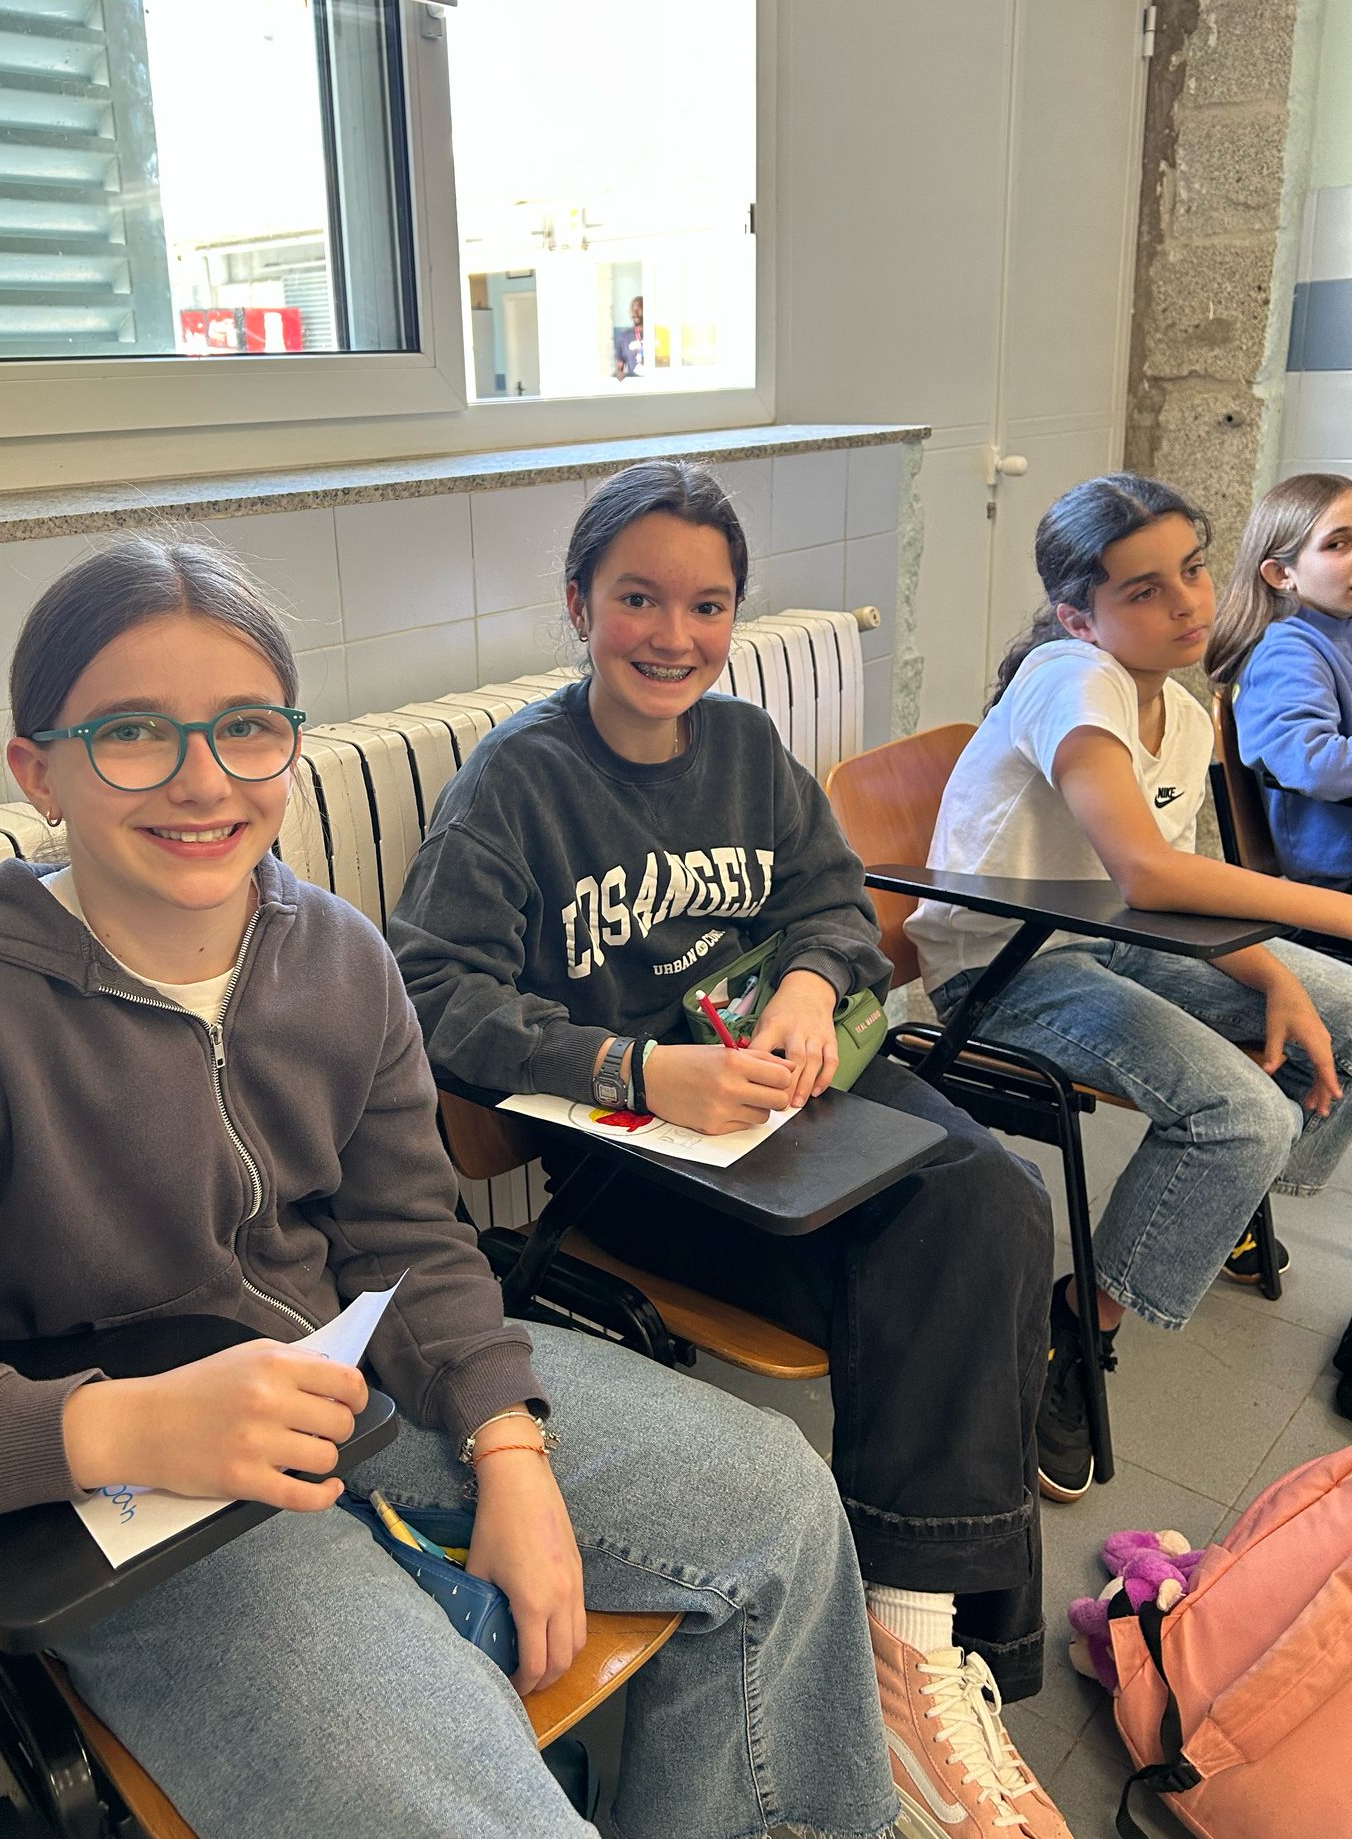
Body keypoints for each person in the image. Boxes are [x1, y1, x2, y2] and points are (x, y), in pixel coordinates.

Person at [0, 538, 912, 1839]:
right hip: (151, 1506)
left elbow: (410, 1239)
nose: (201, 780)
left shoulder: (338, 957)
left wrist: (510, 1445)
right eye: (131, 733)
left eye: (245, 727)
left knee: (778, 1501)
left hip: (365, 1398)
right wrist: (123, 1427)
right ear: (39, 770)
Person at [390, 463, 1070, 1839]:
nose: (673, 634)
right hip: (631, 1145)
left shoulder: (749, 749)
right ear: (579, 603)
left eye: (706, 605)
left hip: (782, 1097)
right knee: (939, 1257)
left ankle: (914, 1644)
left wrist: (813, 988)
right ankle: (926, 1656)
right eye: (638, 598)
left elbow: (833, 904)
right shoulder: (519, 782)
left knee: (998, 1204)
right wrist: (638, 1068)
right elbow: (433, 992)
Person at [909, 473, 1352, 1510]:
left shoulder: (1183, 713)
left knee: (1339, 1007)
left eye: (1193, 570)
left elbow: (1171, 891)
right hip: (1004, 966)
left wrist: (1273, 973)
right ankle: (1076, 1320)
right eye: (1145, 590)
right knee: (1240, 1113)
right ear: (1080, 615)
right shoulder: (1073, 675)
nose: (1190, 603)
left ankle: (1218, 1204)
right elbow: (1149, 875)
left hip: (1109, 943)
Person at [1206, 471, 1352, 887]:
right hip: (1336, 881)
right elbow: (1313, 763)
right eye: (1338, 544)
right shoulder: (1284, 651)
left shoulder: (1342, 625)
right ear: (1280, 574)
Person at [614, 294, 645, 379]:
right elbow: (620, 367)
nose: (635, 313)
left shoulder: (655, 334)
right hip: (634, 384)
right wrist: (619, 374)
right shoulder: (624, 337)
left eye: (639, 309)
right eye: (633, 310)